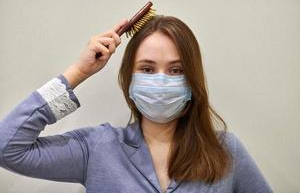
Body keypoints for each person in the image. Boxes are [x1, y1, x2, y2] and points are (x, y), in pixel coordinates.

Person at [0, 15, 272, 193]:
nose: (162, 80)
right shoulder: (96, 148)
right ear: (129, 79)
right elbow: (7, 148)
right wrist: (78, 73)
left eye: (176, 70)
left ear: (192, 80)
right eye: (147, 69)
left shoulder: (225, 150)